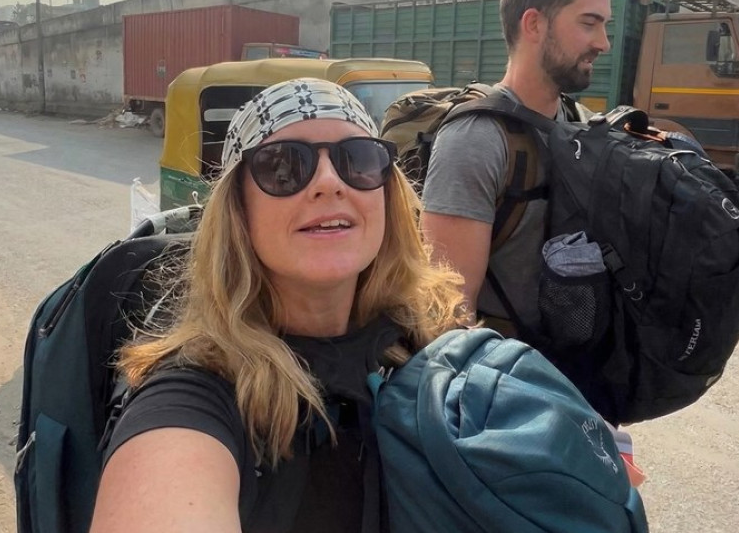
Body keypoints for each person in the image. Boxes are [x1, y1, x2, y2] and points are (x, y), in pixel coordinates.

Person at [89, 78, 466, 532]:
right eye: (284, 166)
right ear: (238, 212)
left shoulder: (437, 345)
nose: (329, 183)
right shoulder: (194, 397)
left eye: (358, 159)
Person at [420, 0, 612, 335]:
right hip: (506, 367)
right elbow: (448, 317)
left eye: (605, 25)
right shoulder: (475, 139)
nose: (604, 43)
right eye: (589, 23)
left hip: (573, 363)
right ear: (534, 24)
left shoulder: (580, 122)